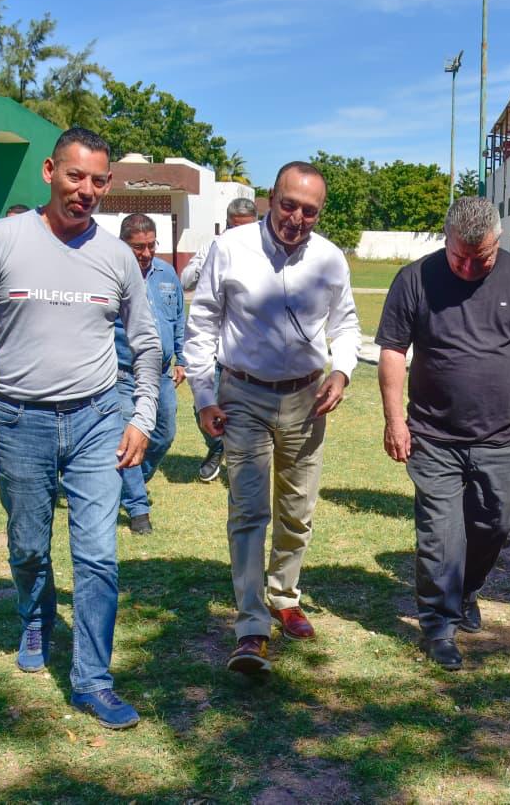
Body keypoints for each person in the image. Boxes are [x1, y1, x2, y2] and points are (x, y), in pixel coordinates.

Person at [0, 127, 162, 730]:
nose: (85, 190)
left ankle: (93, 680)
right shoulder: (2, 240)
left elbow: (146, 343)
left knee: (97, 555)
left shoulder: (117, 256)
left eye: (97, 181)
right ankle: (35, 618)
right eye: (74, 176)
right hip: (17, 422)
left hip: (97, 420)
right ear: (49, 171)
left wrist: (142, 416)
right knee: (30, 545)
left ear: (107, 185)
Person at [184, 161, 360, 675]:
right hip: (243, 396)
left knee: (297, 509)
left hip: (307, 399)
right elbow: (202, 328)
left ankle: (285, 596)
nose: (296, 218)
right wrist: (203, 396)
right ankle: (251, 624)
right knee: (248, 510)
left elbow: (346, 325)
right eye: (288, 205)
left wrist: (342, 372)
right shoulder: (230, 249)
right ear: (270, 198)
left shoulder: (329, 259)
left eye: (309, 211)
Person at [377, 196, 510, 671]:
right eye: (458, 255)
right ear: (446, 238)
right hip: (433, 436)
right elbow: (394, 351)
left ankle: (466, 591)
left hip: (499, 437)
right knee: (440, 535)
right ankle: (439, 624)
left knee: (498, 522)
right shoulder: (414, 279)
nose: (465, 267)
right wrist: (395, 419)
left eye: (478, 258)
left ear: (498, 243)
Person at [114, 213, 186, 534]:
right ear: (123, 245)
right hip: (122, 373)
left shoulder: (167, 274)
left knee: (164, 433)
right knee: (130, 438)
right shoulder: (111, 275)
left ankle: (130, 482)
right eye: (137, 247)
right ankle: (139, 510)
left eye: (150, 245)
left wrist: (181, 357)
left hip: (161, 374)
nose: (145, 253)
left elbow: (178, 318)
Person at [181, 197, 259, 483]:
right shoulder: (212, 247)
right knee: (203, 404)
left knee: (246, 411)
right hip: (211, 347)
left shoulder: (265, 253)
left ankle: (243, 463)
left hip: (246, 349)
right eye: (234, 227)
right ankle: (217, 448)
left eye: (246, 228)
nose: (239, 235)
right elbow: (185, 280)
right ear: (226, 224)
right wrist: (209, 268)